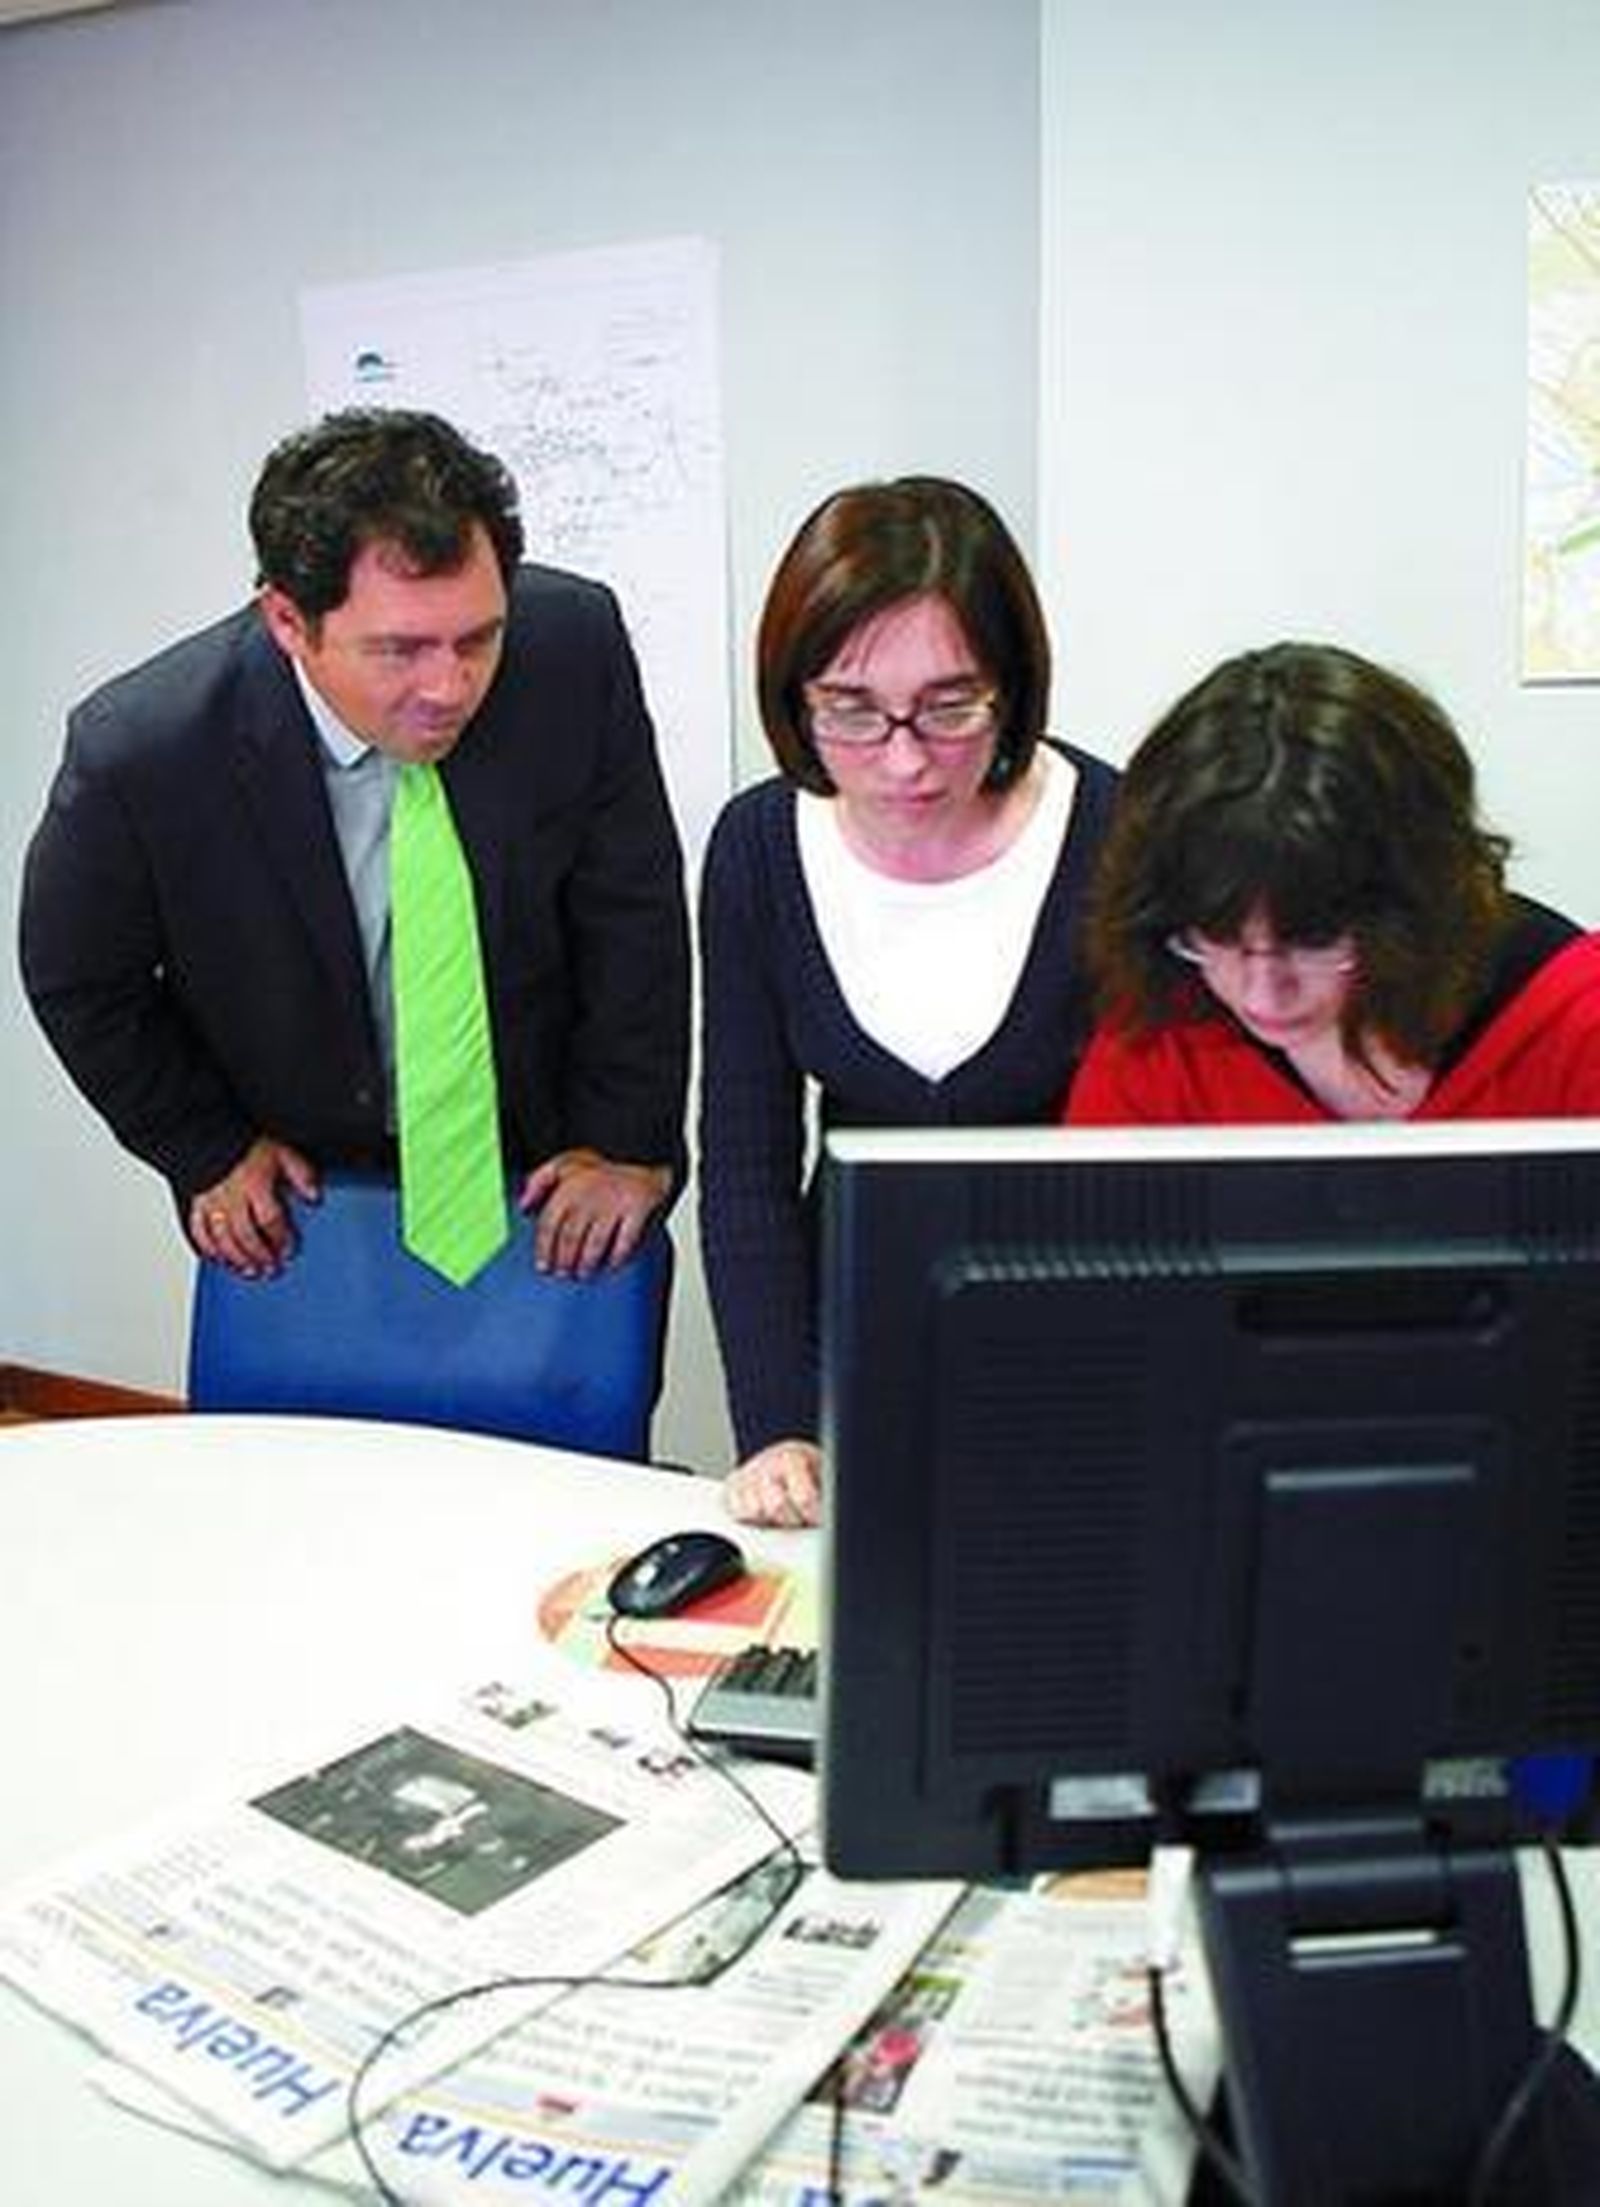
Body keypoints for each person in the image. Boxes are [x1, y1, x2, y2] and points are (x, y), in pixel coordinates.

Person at [19, 408, 690, 1279]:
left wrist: (626, 1139)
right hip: (302, 1188)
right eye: (400, 649)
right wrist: (202, 1145)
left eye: (478, 637)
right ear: (290, 622)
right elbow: (79, 977)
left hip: (544, 1156)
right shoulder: (145, 750)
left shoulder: (573, 646)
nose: (449, 687)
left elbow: (632, 908)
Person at [699, 475, 1120, 1527]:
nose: (901, 759)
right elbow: (746, 1166)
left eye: (948, 705)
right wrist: (776, 1423)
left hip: (1085, 1363)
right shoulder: (757, 847)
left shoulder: (1117, 831)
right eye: (849, 708)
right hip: (859, 1369)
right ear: (794, 695)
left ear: (1012, 687)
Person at [1063, 639, 1600, 1126]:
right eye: (1220, 937)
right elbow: (1085, 1232)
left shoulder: (1576, 1025)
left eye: (1314, 941)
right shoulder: (1159, 1034)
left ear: (1410, 906)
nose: (1263, 995)